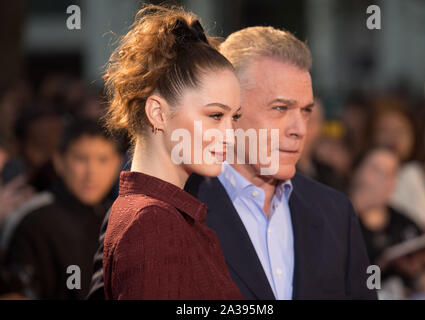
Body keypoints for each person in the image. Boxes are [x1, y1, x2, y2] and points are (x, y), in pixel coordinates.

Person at [89, 24, 376, 300]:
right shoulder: (161, 212)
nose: (299, 128)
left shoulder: (335, 212)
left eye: (306, 111)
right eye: (280, 108)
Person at [101, 5, 243, 300]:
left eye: (235, 118)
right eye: (216, 116)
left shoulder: (158, 215)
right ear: (158, 113)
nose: (231, 135)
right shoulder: (152, 223)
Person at [0, 117, 122, 299]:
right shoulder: (35, 218)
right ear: (59, 161)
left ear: (117, 164)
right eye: (81, 159)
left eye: (103, 160)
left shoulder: (116, 215)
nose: (91, 172)